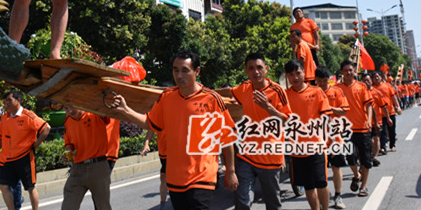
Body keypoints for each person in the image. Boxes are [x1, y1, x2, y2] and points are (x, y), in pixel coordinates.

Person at [113, 50, 239, 209]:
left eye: (185, 70)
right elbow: (149, 122)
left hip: (202, 176)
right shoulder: (166, 97)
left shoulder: (212, 99)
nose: (179, 75)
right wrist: (126, 110)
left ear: (197, 71)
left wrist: (231, 171)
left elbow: (227, 137)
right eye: (175, 70)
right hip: (175, 179)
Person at [217, 52, 291, 210]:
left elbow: (287, 121)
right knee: (242, 201)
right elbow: (229, 92)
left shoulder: (277, 91)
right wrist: (208, 92)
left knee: (272, 203)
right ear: (246, 71)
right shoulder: (245, 88)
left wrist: (269, 107)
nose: (255, 71)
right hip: (247, 155)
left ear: (266, 68)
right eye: (251, 68)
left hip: (270, 157)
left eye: (259, 67)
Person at [284, 60, 332, 210]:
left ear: (304, 73)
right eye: (291, 74)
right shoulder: (284, 96)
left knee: (321, 183)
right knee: (308, 186)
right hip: (297, 150)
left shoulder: (317, 92)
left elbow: (326, 117)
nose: (295, 77)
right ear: (287, 77)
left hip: (316, 147)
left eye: (298, 73)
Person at [0, 90, 50, 210]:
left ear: (18, 100)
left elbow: (46, 128)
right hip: (8, 158)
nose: (6, 104)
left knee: (30, 188)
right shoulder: (5, 117)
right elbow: (0, 137)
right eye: (4, 102)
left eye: (9, 100)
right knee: (3, 185)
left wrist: (37, 144)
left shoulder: (28, 115)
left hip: (25, 157)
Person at [62, 105, 112, 210]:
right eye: (66, 108)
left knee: (102, 206)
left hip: (98, 167)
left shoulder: (95, 114)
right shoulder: (67, 120)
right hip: (77, 169)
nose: (70, 111)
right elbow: (69, 141)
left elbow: (107, 112)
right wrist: (69, 150)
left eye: (72, 107)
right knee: (68, 206)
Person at [337, 60, 373, 197]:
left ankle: (363, 186)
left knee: (366, 160)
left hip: (363, 128)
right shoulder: (338, 89)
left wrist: (369, 120)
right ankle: (356, 174)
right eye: (346, 70)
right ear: (342, 72)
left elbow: (369, 105)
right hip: (346, 130)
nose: (349, 73)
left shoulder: (362, 86)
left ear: (354, 71)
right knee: (350, 158)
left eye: (351, 70)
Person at [315, 66, 349, 209]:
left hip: (335, 136)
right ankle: (323, 200)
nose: (322, 84)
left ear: (328, 79)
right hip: (317, 138)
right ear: (315, 80)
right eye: (319, 81)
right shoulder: (312, 93)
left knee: (336, 167)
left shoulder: (336, 91)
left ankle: (338, 195)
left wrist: (329, 108)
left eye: (324, 81)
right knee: (320, 171)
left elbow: (344, 111)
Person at [363, 74, 389, 166]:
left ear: (371, 81)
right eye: (364, 80)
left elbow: (383, 106)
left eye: (368, 80)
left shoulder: (376, 92)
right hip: (365, 122)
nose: (367, 82)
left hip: (377, 120)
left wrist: (388, 118)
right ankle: (369, 155)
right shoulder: (361, 92)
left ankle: (375, 157)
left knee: (376, 138)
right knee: (368, 141)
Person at [371, 71, 400, 153]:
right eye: (374, 77)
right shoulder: (372, 89)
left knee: (391, 130)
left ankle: (392, 145)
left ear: (381, 77)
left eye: (377, 76)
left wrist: (398, 106)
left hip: (390, 111)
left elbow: (393, 97)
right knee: (382, 131)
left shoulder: (387, 85)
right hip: (380, 114)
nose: (376, 78)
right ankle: (383, 147)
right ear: (372, 79)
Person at [142, 129, 168, 209]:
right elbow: (152, 126)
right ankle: (163, 205)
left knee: (174, 177)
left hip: (176, 149)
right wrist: (146, 143)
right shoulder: (158, 115)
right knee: (163, 176)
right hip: (163, 149)